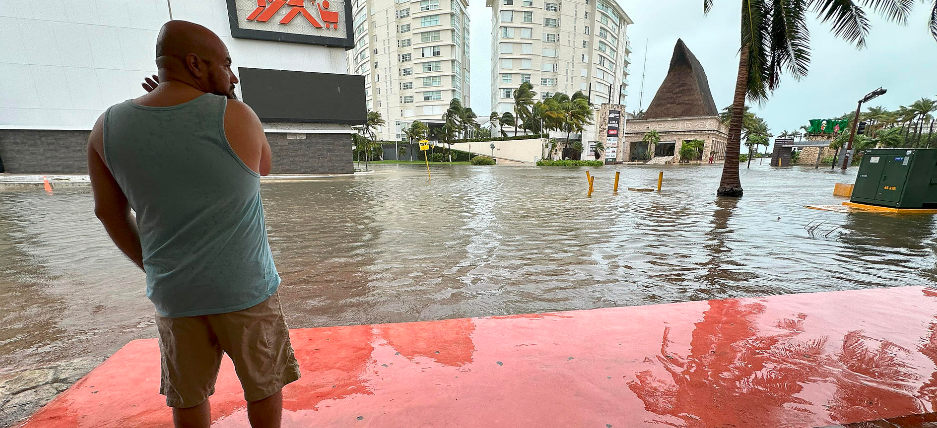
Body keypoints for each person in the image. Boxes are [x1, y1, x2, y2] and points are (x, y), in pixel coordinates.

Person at [87, 20, 299, 428]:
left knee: (188, 394)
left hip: (176, 294)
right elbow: (266, 166)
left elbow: (108, 212)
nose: (232, 76)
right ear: (195, 65)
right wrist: (228, 98)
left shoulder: (107, 126)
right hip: (246, 288)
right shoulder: (236, 115)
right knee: (265, 384)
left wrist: (151, 266)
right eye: (227, 64)